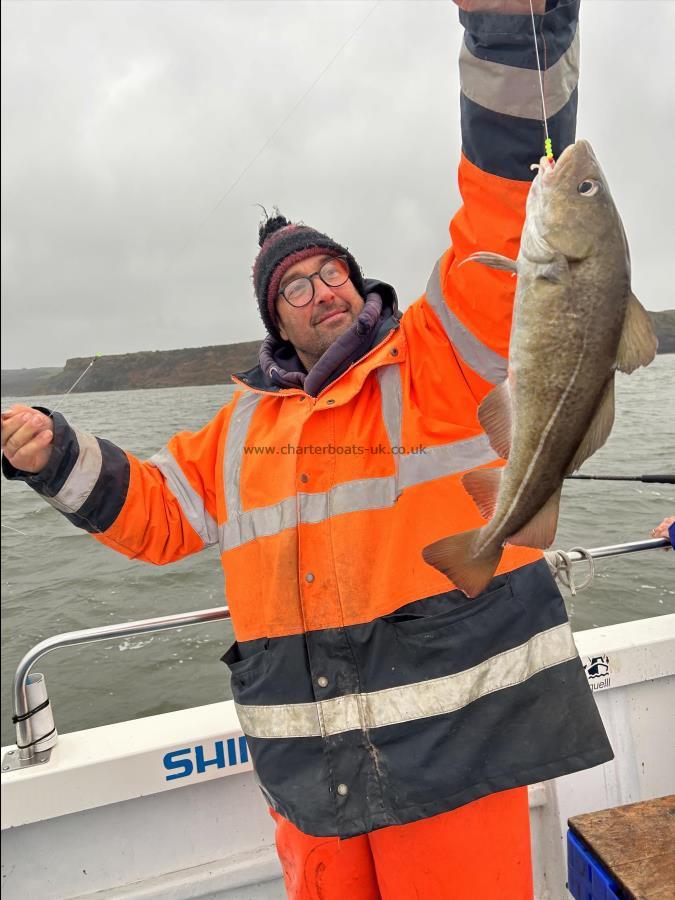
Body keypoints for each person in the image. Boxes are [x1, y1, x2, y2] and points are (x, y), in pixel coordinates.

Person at [2, 1, 612, 897]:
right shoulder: (235, 426)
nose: (321, 289)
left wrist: (510, 34)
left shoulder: (441, 355)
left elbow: (505, 207)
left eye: (331, 270)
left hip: (456, 754)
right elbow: (159, 516)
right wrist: (52, 452)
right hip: (308, 774)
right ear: (274, 318)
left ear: (356, 280)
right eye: (294, 285)